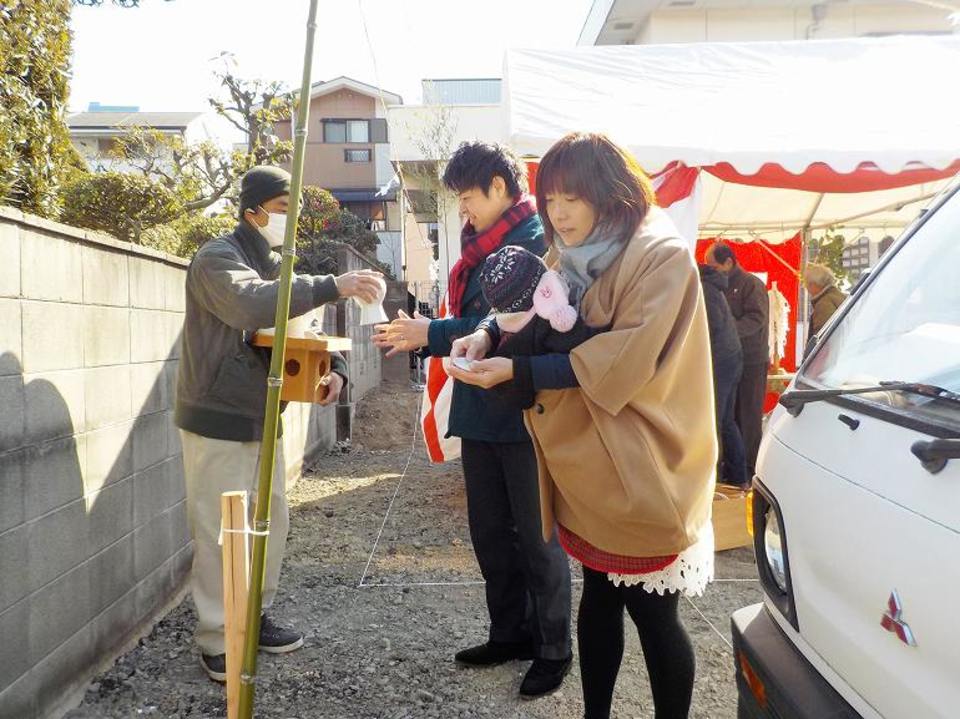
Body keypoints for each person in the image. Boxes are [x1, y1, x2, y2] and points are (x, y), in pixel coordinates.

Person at [448, 133, 717, 719]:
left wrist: (516, 373)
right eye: (550, 199)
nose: (558, 213)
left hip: (645, 459)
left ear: (610, 192)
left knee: (654, 613)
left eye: (571, 198)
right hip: (597, 464)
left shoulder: (658, 254)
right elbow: (531, 304)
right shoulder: (572, 250)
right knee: (598, 595)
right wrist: (488, 334)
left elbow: (624, 357)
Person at [372, 142, 573, 698]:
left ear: (500, 187)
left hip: (525, 409)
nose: (463, 211)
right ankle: (509, 632)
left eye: (467, 198)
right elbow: (476, 317)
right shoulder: (478, 246)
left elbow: (499, 316)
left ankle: (553, 647)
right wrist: (437, 332)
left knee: (537, 537)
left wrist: (431, 334)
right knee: (489, 533)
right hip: (481, 409)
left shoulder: (535, 240)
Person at [174, 165, 383, 681]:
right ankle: (218, 636)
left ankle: (255, 613)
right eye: (282, 209)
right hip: (218, 414)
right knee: (221, 529)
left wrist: (332, 369)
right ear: (253, 212)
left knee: (272, 521)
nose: (289, 220)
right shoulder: (217, 258)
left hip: (265, 414)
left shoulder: (275, 262)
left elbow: (299, 326)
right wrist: (334, 284)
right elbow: (251, 306)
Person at [475, 244, 608, 410]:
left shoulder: (517, 339)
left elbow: (519, 399)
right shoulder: (568, 293)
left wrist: (516, 370)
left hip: (564, 419)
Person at [705, 242, 769, 477]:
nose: (711, 270)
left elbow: (757, 318)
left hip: (752, 359)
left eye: (713, 265)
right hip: (730, 358)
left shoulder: (751, 284)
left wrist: (729, 331)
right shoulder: (720, 286)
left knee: (749, 415)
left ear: (728, 262)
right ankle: (733, 468)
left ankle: (751, 467)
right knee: (730, 415)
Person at [699, 264, 748, 489]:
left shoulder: (705, 290)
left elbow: (711, 326)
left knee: (714, 421)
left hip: (720, 361)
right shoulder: (713, 287)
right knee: (726, 420)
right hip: (730, 357)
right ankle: (738, 477)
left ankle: (715, 480)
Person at [804, 263, 847, 336]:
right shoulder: (841, 297)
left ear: (814, 284)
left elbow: (821, 339)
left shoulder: (823, 305)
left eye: (807, 284)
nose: (807, 288)